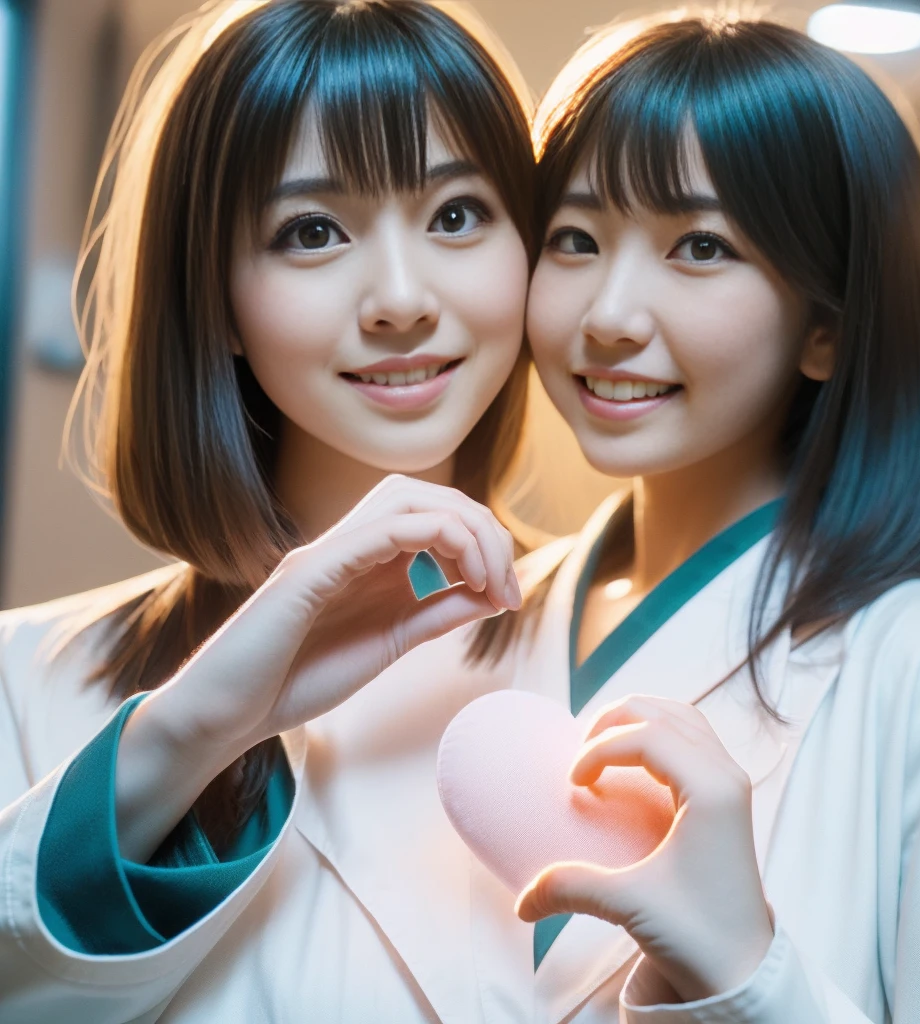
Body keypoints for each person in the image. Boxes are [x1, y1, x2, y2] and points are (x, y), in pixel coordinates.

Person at [0, 1, 537, 1019]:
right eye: (312, 231)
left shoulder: (621, 637)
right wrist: (186, 734)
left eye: (457, 213)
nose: (399, 297)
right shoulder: (25, 679)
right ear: (220, 300)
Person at [492, 10, 920, 1021]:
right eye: (573, 237)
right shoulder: (472, 617)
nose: (608, 314)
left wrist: (745, 970)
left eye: (698, 245)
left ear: (825, 327)